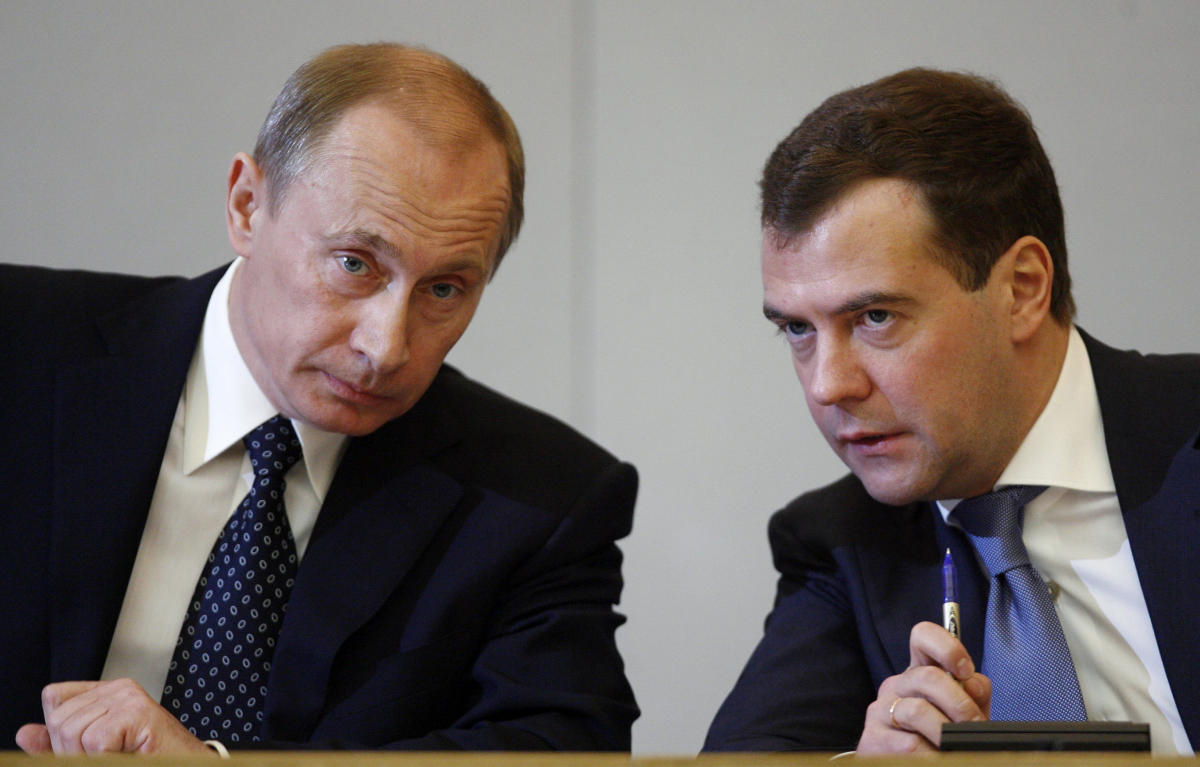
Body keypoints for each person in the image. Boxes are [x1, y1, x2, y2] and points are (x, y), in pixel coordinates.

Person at [0, 42, 638, 755]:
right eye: (355, 263)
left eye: (444, 289)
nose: (386, 347)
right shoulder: (18, 350)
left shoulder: (541, 498)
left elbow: (560, 746)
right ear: (247, 206)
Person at [704, 68, 1200, 755]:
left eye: (875, 317)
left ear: (1022, 289)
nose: (827, 385)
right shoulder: (844, 544)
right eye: (797, 329)